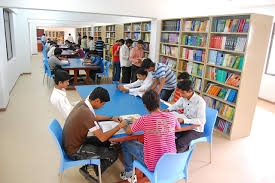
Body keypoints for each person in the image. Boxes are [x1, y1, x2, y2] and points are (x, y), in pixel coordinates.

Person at [62, 87, 127, 182]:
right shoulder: (86, 113)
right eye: (103, 103)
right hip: (74, 150)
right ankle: (92, 171)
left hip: (73, 142)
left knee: (107, 143)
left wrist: (111, 118)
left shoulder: (84, 103)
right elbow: (102, 137)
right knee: (113, 154)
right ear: (97, 100)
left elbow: (93, 116)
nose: (103, 106)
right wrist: (119, 126)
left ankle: (94, 163)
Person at [120, 90, 181, 182]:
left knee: (125, 143)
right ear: (159, 103)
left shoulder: (144, 119)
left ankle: (129, 173)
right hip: (170, 162)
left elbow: (129, 131)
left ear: (145, 106)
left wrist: (132, 122)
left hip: (153, 164)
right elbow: (178, 128)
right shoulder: (171, 116)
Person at [163, 79, 206, 153]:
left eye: (182, 93)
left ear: (190, 91)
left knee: (180, 142)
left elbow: (201, 121)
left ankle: (176, 159)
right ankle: (179, 150)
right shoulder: (184, 97)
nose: (180, 95)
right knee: (167, 135)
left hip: (195, 129)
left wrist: (184, 120)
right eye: (180, 92)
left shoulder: (200, 102)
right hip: (184, 125)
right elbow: (177, 105)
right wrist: (168, 109)